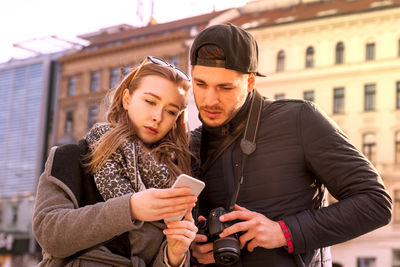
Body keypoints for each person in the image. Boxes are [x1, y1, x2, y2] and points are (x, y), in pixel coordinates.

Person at [188, 24, 392, 266]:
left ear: (250, 82)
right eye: (201, 84)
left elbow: (376, 203)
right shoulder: (190, 145)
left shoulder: (300, 119)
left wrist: (284, 232)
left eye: (226, 87)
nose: (210, 99)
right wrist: (193, 250)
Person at [33, 56, 199, 267]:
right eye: (150, 101)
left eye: (171, 111)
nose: (158, 116)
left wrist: (174, 255)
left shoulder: (174, 181)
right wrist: (130, 208)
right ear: (126, 99)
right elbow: (50, 234)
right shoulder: (72, 157)